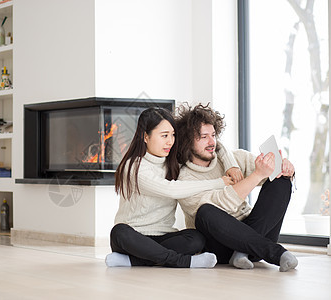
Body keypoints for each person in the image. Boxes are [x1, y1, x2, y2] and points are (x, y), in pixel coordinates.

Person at [106, 107, 241, 268]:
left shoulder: (173, 161)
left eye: (173, 135)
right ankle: (185, 261)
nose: (170, 141)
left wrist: (231, 165)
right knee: (120, 232)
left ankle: (133, 261)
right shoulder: (134, 166)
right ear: (146, 137)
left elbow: (216, 145)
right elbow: (170, 189)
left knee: (197, 238)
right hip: (134, 237)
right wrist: (219, 182)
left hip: (164, 236)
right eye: (164, 136)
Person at [175, 102, 298, 272]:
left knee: (281, 180)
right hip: (222, 247)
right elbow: (222, 204)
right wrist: (257, 175)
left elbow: (270, 174)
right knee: (205, 212)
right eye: (204, 137)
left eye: (213, 135)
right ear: (187, 142)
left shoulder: (235, 158)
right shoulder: (184, 180)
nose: (212, 142)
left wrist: (285, 168)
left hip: (256, 234)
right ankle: (275, 253)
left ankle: (242, 252)